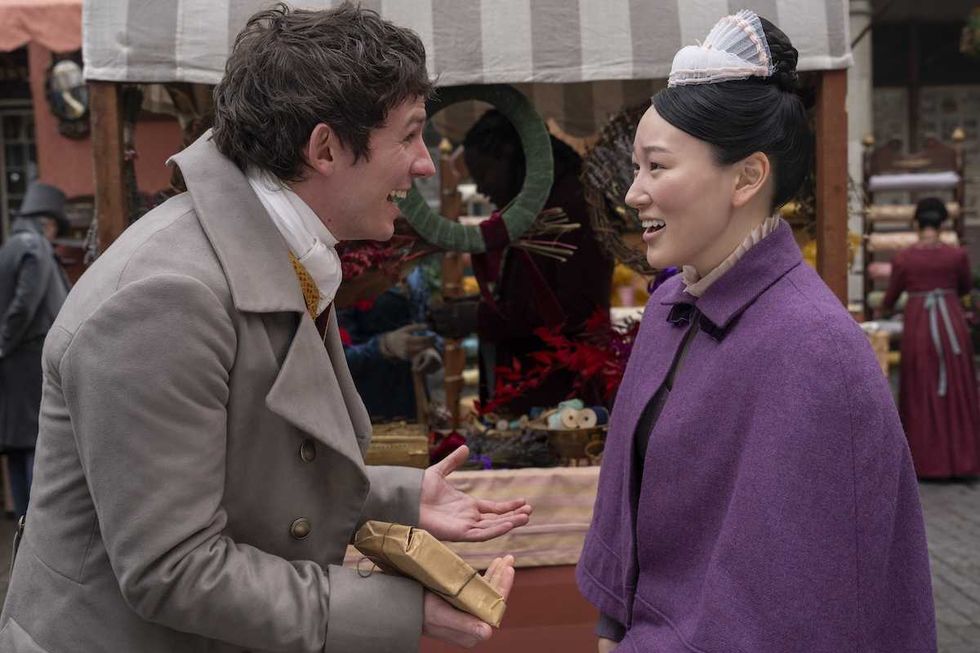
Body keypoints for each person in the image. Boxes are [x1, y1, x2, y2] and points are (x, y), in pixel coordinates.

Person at [0, 4, 531, 652]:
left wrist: (396, 495)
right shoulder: (166, 296)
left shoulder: (275, 249)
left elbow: (248, 463)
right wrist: (399, 607)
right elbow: (176, 569)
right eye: (410, 134)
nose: (425, 163)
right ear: (327, 148)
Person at [576, 11, 936, 652]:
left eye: (657, 167)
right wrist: (611, 629)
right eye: (638, 167)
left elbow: (791, 609)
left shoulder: (816, 351)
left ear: (747, 177)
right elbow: (625, 513)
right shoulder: (670, 308)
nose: (634, 193)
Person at [432, 110, 614, 414]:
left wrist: (479, 317)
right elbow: (528, 295)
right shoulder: (537, 205)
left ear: (508, 157)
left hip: (565, 400)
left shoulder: (571, 206)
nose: (481, 189)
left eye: (484, 174)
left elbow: (571, 311)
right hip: (542, 392)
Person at [881, 197, 980, 478]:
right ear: (943, 223)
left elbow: (890, 298)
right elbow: (965, 287)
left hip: (920, 326)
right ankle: (963, 461)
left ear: (916, 222)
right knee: (956, 388)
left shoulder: (904, 258)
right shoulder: (957, 255)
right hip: (951, 325)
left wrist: (883, 313)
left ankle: (925, 463)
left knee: (921, 386)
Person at [0, 181, 70, 519]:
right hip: (28, 359)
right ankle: (36, 526)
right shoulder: (35, 246)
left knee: (17, 445)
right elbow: (24, 305)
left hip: (15, 361)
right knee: (34, 444)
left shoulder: (11, 246)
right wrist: (6, 342)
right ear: (49, 222)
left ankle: (23, 523)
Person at [340, 265, 442, 420]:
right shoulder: (349, 267)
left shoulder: (413, 267)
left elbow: (424, 321)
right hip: (365, 403)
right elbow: (334, 358)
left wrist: (429, 347)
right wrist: (384, 346)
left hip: (412, 397)